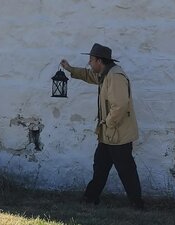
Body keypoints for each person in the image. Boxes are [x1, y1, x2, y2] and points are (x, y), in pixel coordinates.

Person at [60, 43, 144, 209]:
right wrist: (70, 69)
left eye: (91, 60)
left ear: (99, 60)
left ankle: (138, 205)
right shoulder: (105, 73)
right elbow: (89, 75)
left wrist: (108, 123)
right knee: (100, 166)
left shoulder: (116, 76)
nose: (89, 64)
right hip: (108, 134)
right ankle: (90, 198)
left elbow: (120, 105)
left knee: (126, 171)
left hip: (118, 134)